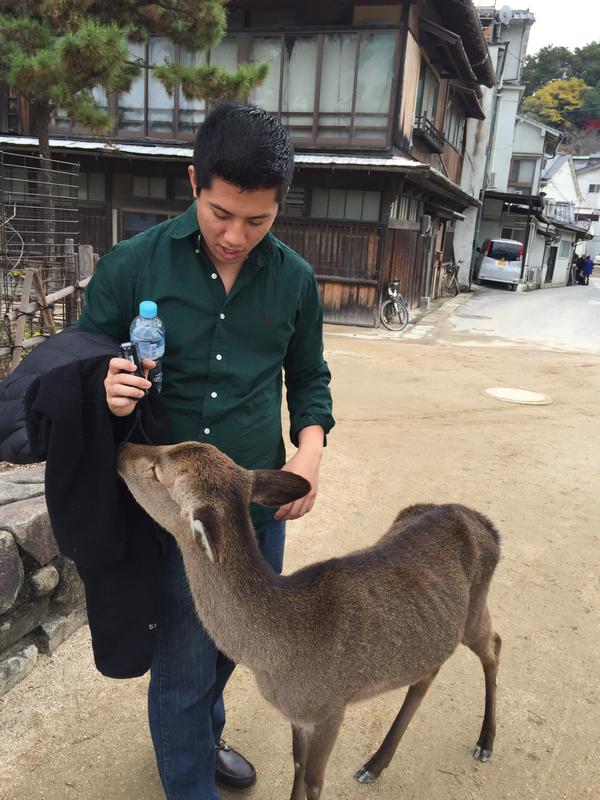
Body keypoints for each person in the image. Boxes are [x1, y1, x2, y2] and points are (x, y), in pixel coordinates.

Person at [78, 102, 334, 800]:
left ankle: (202, 735)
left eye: (258, 220)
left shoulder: (295, 282)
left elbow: (309, 379)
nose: (235, 235)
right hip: (175, 510)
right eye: (221, 213)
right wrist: (102, 383)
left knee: (241, 642)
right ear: (194, 181)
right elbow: (75, 360)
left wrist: (307, 456)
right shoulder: (133, 266)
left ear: (282, 203)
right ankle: (189, 775)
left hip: (255, 509)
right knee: (187, 665)